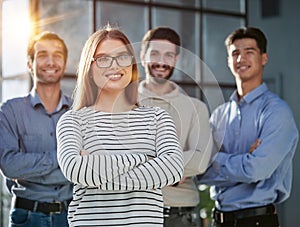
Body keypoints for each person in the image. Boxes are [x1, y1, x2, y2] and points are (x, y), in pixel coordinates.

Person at [56, 26, 184, 227]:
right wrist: (144, 159)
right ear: (89, 67)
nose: (114, 66)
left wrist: (96, 170)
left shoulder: (157, 118)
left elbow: (174, 170)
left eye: (122, 57)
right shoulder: (73, 121)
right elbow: (75, 169)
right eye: (103, 59)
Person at [198, 27, 299, 227]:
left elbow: (255, 171)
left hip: (257, 221)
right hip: (219, 221)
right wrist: (244, 159)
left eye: (249, 52)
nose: (241, 59)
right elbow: (201, 172)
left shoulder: (276, 112)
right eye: (235, 53)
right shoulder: (219, 115)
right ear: (228, 61)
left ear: (264, 58)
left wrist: (215, 158)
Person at [138, 26, 213, 227]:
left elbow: (200, 161)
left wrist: (145, 164)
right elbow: (118, 158)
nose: (161, 62)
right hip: (136, 215)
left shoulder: (196, 108)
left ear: (176, 60)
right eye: (154, 54)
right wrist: (175, 171)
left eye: (168, 55)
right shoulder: (123, 104)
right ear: (143, 56)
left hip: (182, 217)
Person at [0, 31, 73, 227]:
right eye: (42, 55)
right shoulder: (10, 111)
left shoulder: (78, 112)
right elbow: (9, 166)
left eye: (57, 55)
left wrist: (31, 168)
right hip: (27, 217)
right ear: (29, 64)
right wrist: (63, 158)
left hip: (71, 217)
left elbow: (86, 166)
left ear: (65, 64)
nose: (50, 61)